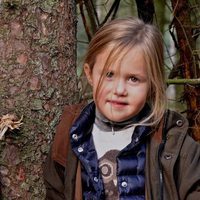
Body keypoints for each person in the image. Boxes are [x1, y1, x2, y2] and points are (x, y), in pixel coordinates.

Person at [43, 18, 200, 200]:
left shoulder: (174, 143)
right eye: (109, 75)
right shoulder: (71, 135)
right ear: (89, 73)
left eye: (134, 79)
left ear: (152, 83)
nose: (119, 90)